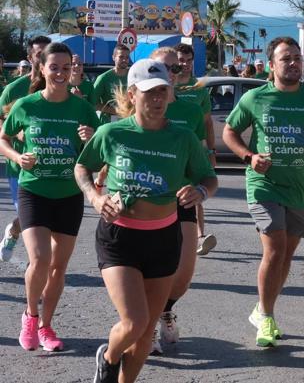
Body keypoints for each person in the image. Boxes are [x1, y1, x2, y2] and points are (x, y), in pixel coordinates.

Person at [75, 59, 217, 383]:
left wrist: (200, 192)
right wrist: (95, 197)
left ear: (170, 94)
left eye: (162, 92)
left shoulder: (182, 138)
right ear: (132, 93)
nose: (156, 99)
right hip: (119, 239)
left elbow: (208, 178)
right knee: (134, 322)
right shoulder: (112, 133)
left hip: (163, 239)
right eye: (149, 92)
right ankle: (109, 358)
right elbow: (82, 168)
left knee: (144, 336)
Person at [223, 36, 304, 347]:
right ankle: (267, 319)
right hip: (264, 185)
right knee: (274, 249)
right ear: (272, 65)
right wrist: (250, 157)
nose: (292, 63)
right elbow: (229, 131)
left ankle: (261, 308)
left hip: (300, 189)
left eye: (297, 58)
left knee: (286, 256)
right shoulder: (255, 98)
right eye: (286, 58)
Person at [0, 42, 99, 352]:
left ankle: (47, 325)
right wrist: (17, 158)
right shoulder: (26, 105)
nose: (59, 73)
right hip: (35, 191)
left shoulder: (82, 108)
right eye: (53, 67)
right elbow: (2, 138)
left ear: (72, 71)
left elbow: (98, 155)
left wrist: (91, 138)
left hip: (69, 194)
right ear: (41, 69)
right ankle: (30, 316)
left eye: (65, 68)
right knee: (40, 258)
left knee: (58, 267)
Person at [147, 46, 207, 355]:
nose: (169, 73)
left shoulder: (191, 111)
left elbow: (201, 162)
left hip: (181, 199)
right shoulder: (136, 106)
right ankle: (143, 327)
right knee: (146, 271)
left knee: (183, 274)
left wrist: (201, 187)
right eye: (161, 68)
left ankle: (166, 309)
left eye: (173, 68)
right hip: (142, 202)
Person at [0, 35, 52, 262]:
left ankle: (39, 262)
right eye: (38, 53)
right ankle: (15, 234)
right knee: (31, 216)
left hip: (53, 165)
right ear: (30, 57)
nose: (42, 57)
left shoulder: (59, 88)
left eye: (46, 52)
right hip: (19, 165)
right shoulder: (13, 90)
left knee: (44, 217)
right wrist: (17, 132)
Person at [173, 43, 217, 256]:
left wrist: (211, 152)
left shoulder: (199, 88)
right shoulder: (168, 87)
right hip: (169, 149)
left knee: (195, 190)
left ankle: (200, 236)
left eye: (189, 60)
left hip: (193, 150)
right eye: (181, 60)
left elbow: (207, 123)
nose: (185, 64)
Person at [92, 44, 130, 124]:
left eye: (127, 57)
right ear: (113, 57)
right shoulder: (104, 78)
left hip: (128, 121)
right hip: (109, 122)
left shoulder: (133, 76)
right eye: (121, 57)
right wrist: (115, 111)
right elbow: (92, 103)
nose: (124, 60)